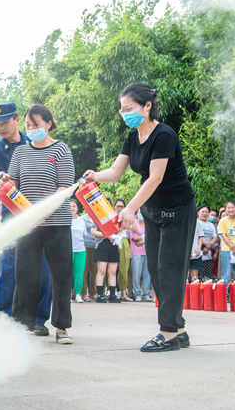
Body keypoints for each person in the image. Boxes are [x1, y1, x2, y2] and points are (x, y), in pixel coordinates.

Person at [83, 83, 197, 352]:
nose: (124, 114)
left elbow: (155, 178)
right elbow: (116, 171)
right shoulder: (132, 138)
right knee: (157, 270)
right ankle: (179, 329)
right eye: (122, 109)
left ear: (147, 106)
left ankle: (168, 333)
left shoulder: (163, 135)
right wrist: (95, 176)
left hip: (177, 210)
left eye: (129, 108)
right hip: (153, 211)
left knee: (169, 269)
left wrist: (131, 208)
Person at [0, 102, 53, 336]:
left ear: (17, 120)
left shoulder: (35, 142)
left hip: (39, 214)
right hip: (12, 218)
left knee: (43, 269)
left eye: (5, 122)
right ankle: (3, 317)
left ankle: (39, 319)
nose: (1, 127)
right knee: (9, 268)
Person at [1, 104, 75, 344]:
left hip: (57, 222)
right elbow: (14, 184)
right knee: (25, 274)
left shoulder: (61, 149)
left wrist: (41, 214)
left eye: (36, 124)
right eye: (28, 125)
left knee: (61, 274)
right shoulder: (20, 152)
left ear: (49, 124)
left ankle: (62, 328)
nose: (31, 129)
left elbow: (64, 188)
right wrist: (6, 181)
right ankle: (23, 325)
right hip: (28, 224)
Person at [91, 196, 120, 303]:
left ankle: (112, 294)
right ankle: (100, 294)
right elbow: (93, 231)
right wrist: (107, 235)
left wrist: (117, 237)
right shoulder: (97, 216)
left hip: (113, 245)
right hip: (102, 245)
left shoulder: (115, 217)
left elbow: (119, 230)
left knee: (112, 271)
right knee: (101, 270)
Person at [129, 210, 152, 301]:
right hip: (136, 252)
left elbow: (151, 236)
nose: (141, 214)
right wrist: (145, 238)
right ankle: (137, 293)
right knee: (136, 274)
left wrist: (142, 240)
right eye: (140, 212)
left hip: (148, 252)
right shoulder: (134, 224)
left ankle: (146, 294)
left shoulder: (148, 224)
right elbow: (134, 238)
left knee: (147, 274)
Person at [114, 199, 133, 301]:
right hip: (113, 240)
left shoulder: (126, 217)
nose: (120, 208)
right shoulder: (112, 217)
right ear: (114, 207)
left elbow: (135, 229)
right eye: (118, 206)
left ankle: (123, 293)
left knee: (123, 268)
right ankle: (110, 292)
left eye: (122, 206)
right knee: (112, 269)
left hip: (124, 241)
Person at [70, 199, 87, 303]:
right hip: (69, 250)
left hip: (80, 250)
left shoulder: (81, 221)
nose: (72, 208)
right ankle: (67, 295)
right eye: (70, 206)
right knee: (68, 273)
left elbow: (83, 235)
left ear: (77, 208)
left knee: (79, 273)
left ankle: (78, 295)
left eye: (74, 206)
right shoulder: (66, 220)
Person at [196, 205, 219, 281]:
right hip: (197, 249)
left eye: (206, 212)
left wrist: (209, 246)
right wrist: (206, 244)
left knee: (208, 276)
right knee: (198, 274)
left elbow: (214, 237)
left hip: (208, 250)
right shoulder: (195, 222)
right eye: (202, 212)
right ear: (198, 212)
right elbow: (195, 236)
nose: (204, 214)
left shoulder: (211, 224)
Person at [81, 213, 98, 302]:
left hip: (95, 245)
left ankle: (93, 292)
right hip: (85, 246)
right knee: (84, 270)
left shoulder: (97, 217)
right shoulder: (82, 219)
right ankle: (84, 293)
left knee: (95, 271)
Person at [188, 216, 204, 281]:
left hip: (196, 252)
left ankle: (194, 286)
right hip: (185, 253)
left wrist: (198, 249)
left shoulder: (197, 223)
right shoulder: (181, 222)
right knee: (185, 274)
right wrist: (187, 251)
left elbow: (201, 237)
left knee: (195, 275)